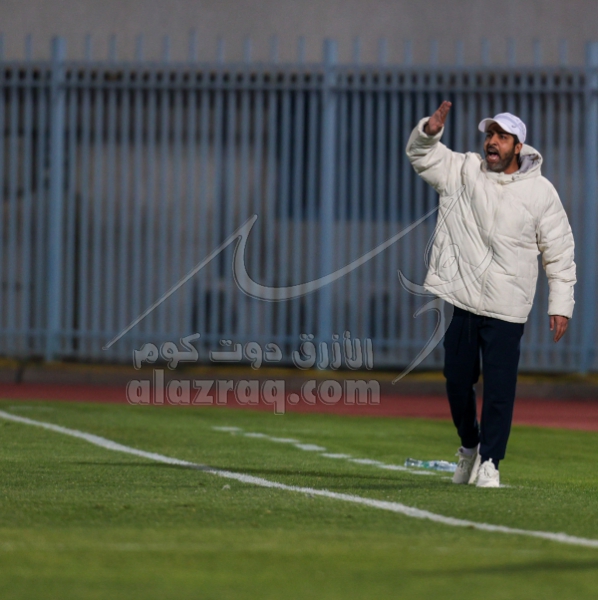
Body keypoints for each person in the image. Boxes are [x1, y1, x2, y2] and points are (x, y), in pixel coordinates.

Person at [405, 101, 576, 488]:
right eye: (490, 135)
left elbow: (560, 253)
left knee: (499, 390)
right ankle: (470, 447)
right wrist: (429, 132)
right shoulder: (463, 171)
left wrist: (561, 304)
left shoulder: (541, 193)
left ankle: (491, 462)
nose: (492, 142)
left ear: (519, 146)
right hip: (463, 302)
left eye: (502, 136)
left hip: (507, 309)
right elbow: (421, 156)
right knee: (456, 380)